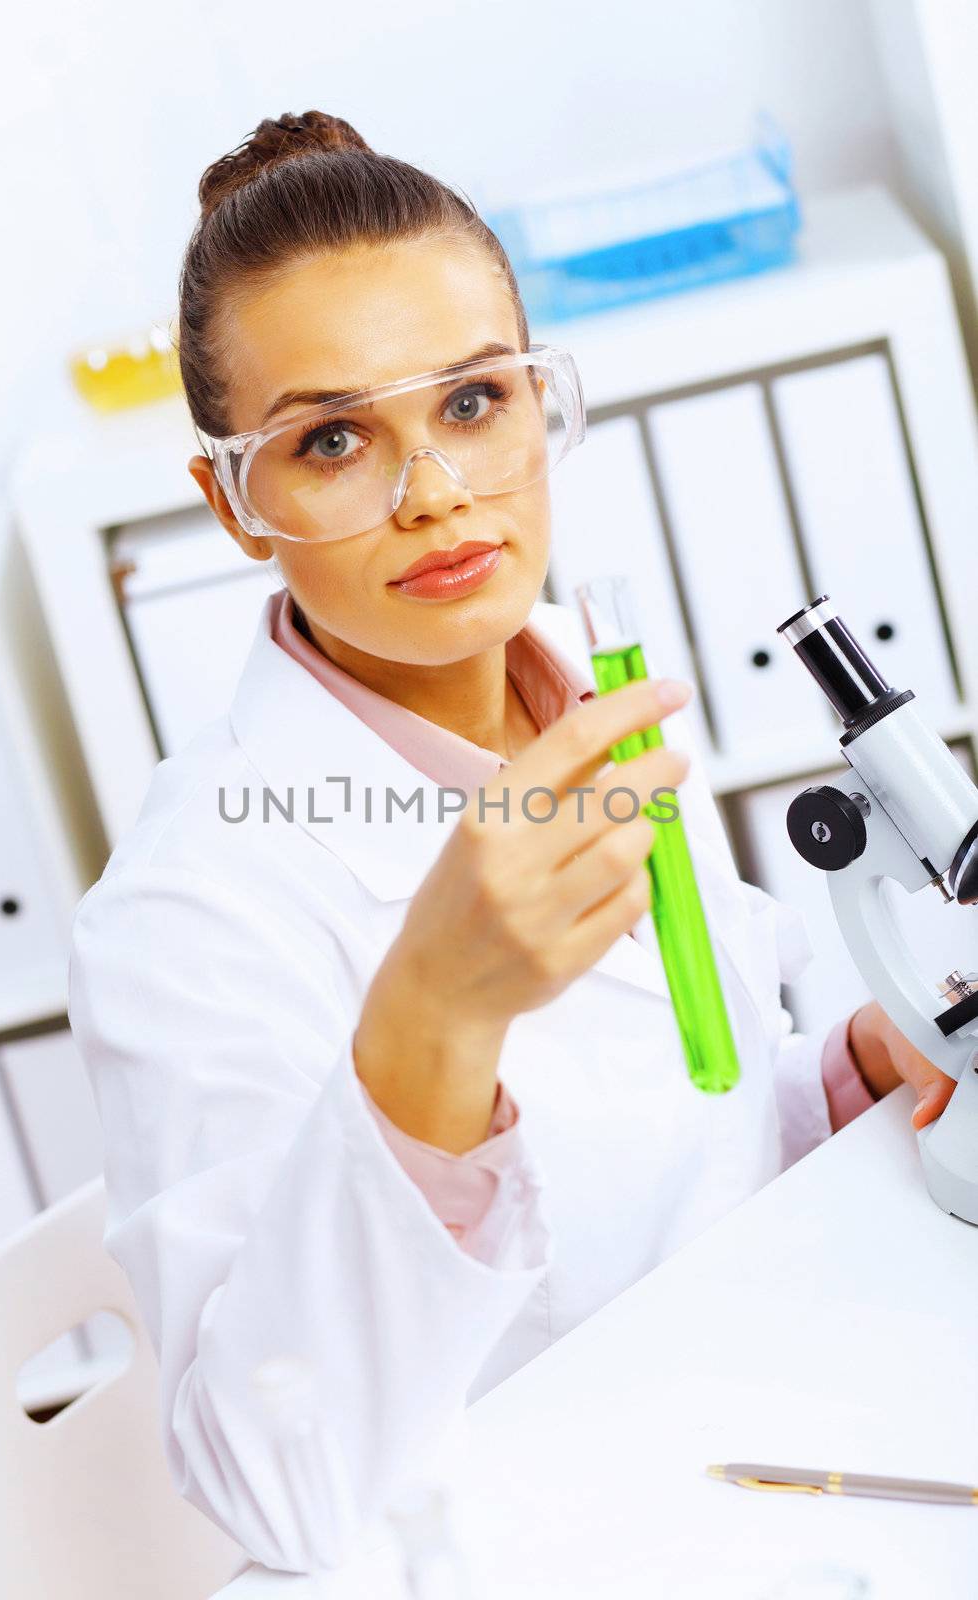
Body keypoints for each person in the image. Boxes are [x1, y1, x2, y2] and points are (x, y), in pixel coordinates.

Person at [67, 109, 956, 1575]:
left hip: (749, 1432)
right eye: (334, 438)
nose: (435, 493)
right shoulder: (186, 910)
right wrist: (433, 1017)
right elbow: (274, 1488)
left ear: (542, 404)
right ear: (234, 502)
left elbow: (689, 1148)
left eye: (473, 403)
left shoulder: (583, 703)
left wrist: (852, 1069)